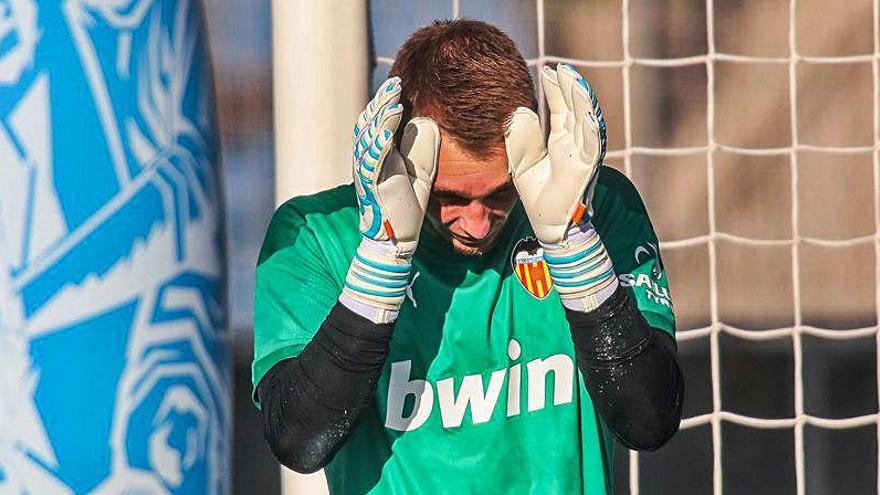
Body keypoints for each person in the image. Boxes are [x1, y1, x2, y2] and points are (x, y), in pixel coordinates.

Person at [253, 18, 683, 495]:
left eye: (500, 194)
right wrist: (382, 259)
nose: (477, 222)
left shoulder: (600, 207)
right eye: (452, 196)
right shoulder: (314, 235)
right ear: (399, 155)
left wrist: (574, 245)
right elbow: (298, 440)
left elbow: (651, 421)